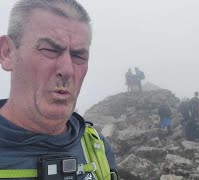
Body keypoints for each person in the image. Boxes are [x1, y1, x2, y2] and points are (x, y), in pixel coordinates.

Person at [0, 0, 117, 179]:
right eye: (49, 50)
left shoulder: (96, 147)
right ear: (7, 52)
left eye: (78, 55)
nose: (68, 70)